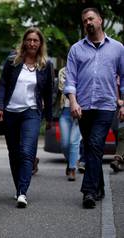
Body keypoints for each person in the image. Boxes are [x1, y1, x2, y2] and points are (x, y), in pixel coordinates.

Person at [64, 8, 124, 208]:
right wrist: (72, 101)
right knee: (91, 148)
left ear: (100, 20)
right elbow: (70, 78)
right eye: (84, 21)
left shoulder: (117, 48)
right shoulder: (76, 49)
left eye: (91, 19)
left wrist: (123, 103)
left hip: (106, 105)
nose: (88, 23)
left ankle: (88, 191)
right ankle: (99, 186)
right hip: (83, 106)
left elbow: (123, 79)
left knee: (96, 144)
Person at [0, 27, 54, 208]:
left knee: (27, 152)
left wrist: (49, 118)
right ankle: (18, 187)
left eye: (36, 40)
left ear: (40, 44)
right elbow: (3, 84)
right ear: (24, 42)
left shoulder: (45, 65)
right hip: (11, 112)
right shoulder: (13, 60)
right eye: (29, 40)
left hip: (32, 112)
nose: (32, 43)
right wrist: (0, 106)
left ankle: (22, 192)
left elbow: (49, 92)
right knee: (14, 153)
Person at [58, 66, 82, 181]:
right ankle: (72, 160)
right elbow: (64, 88)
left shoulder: (85, 69)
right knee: (64, 144)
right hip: (66, 111)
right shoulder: (63, 71)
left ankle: (72, 168)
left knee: (74, 141)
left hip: (80, 110)